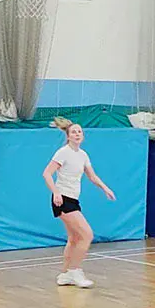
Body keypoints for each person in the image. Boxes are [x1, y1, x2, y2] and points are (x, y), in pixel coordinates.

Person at [42, 117, 116, 288]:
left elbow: (92, 176)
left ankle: (66, 274)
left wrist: (105, 188)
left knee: (74, 238)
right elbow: (46, 173)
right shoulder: (63, 152)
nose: (77, 134)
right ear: (68, 136)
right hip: (63, 199)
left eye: (79, 131)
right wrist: (55, 192)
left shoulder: (83, 155)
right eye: (74, 131)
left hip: (73, 199)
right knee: (87, 234)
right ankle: (75, 271)